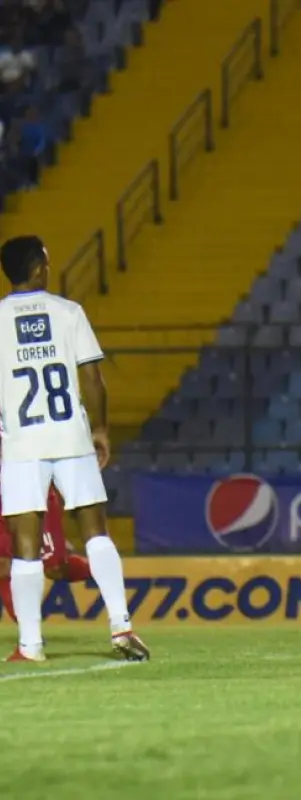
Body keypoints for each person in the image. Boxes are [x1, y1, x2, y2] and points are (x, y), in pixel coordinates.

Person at [0, 235, 148, 662]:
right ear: (39, 268)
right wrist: (100, 430)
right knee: (95, 532)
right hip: (70, 436)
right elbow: (92, 380)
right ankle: (121, 627)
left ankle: (30, 646)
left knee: (26, 546)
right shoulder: (69, 313)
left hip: (22, 444)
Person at [0, 487, 92, 621]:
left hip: (31, 494)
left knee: (55, 569)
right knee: (2, 564)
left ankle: (102, 569)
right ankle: (29, 631)